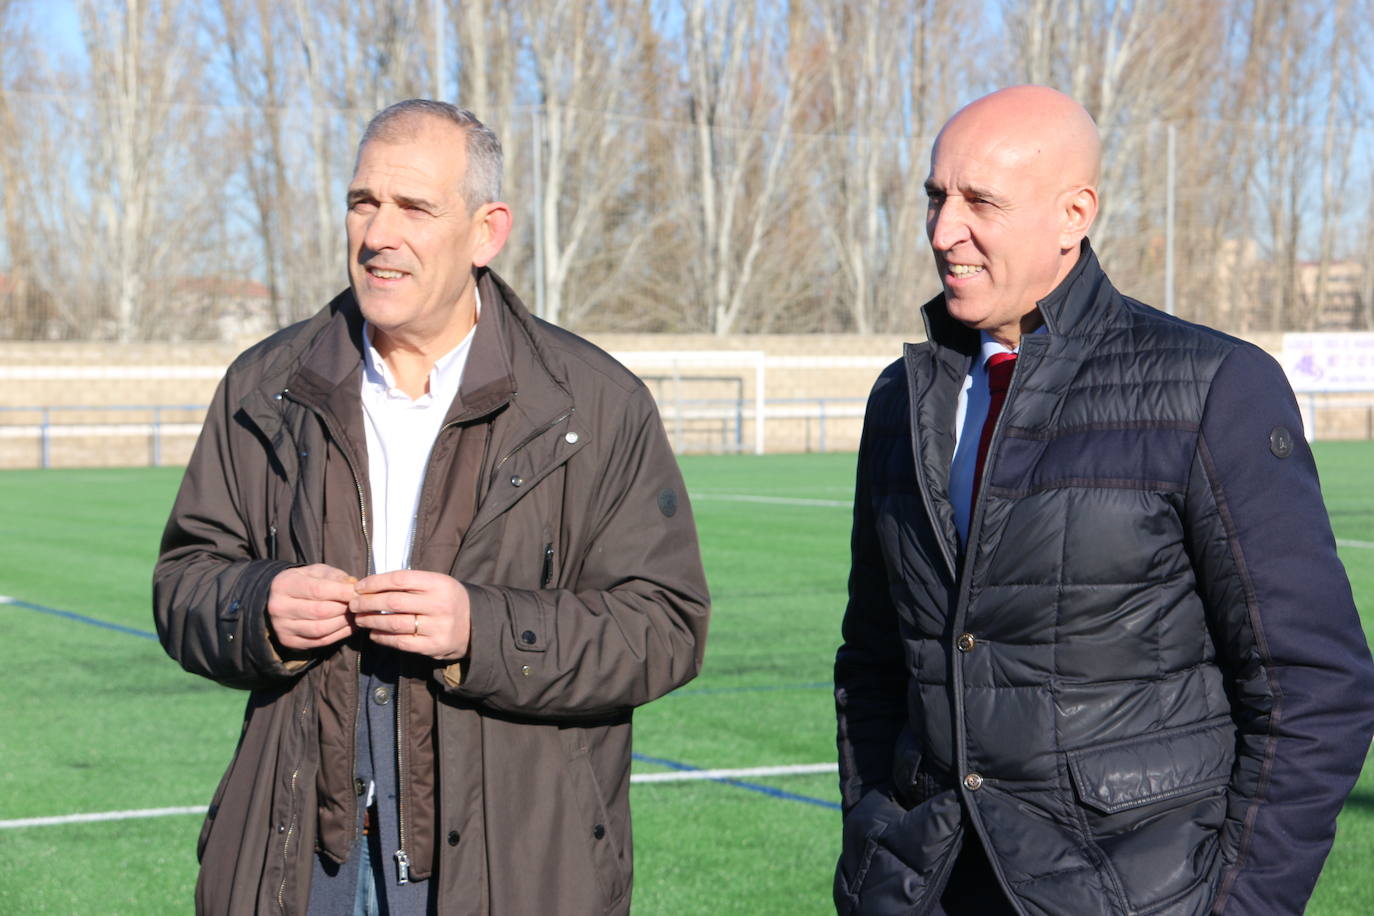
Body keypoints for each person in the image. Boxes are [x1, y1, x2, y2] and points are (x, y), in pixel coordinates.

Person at [154, 99, 709, 916]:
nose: (379, 233)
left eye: (415, 207)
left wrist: (482, 631)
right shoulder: (263, 387)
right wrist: (258, 605)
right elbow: (183, 586)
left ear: (487, 232)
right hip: (300, 865)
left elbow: (664, 627)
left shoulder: (596, 405)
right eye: (362, 203)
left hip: (514, 865)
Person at [833, 85, 1374, 916]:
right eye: (935, 198)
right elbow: (872, 664)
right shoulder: (898, 403)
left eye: (980, 201)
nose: (944, 231)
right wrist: (874, 847)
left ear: (1072, 214)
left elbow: (1314, 683)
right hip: (927, 887)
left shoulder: (1211, 390)